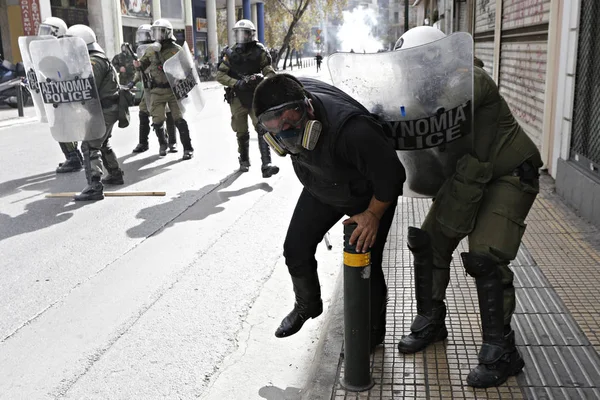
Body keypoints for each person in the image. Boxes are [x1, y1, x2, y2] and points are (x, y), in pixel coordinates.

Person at [392, 27, 543, 388]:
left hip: (508, 175)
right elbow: (408, 122)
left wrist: (403, 111)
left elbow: (440, 110)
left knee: (485, 257)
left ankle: (502, 350)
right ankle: (431, 320)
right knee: (428, 242)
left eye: (414, 63)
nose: (408, 71)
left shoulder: (468, 79)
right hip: (470, 175)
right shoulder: (424, 91)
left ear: (434, 58)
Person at [252, 74, 406, 348]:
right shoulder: (270, 114)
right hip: (322, 184)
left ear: (307, 107)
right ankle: (307, 305)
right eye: (276, 128)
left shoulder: (353, 130)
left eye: (291, 122)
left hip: (368, 193)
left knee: (365, 262)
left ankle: (369, 336)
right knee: (295, 248)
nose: (285, 132)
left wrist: (372, 214)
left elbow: (393, 176)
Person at [63, 25, 124, 201]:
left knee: (90, 145)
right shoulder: (92, 59)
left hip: (105, 110)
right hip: (106, 109)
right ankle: (115, 174)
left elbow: (87, 86)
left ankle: (94, 187)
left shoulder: (94, 61)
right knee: (102, 142)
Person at [216, 19, 279, 178]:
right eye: (238, 33)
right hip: (237, 97)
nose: (241, 37)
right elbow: (220, 75)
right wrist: (236, 83)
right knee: (241, 130)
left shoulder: (260, 51)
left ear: (251, 34)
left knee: (262, 127)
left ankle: (266, 164)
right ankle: (244, 159)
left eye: (244, 33)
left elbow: (268, 70)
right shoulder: (230, 53)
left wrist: (265, 79)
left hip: (256, 95)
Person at [134, 19, 194, 160]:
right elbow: (143, 65)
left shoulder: (176, 49)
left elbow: (187, 69)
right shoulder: (151, 49)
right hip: (156, 90)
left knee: (179, 119)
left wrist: (182, 80)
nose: (157, 35)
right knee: (157, 120)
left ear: (167, 32)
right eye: (155, 31)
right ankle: (163, 144)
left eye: (160, 31)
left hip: (173, 91)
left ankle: (188, 148)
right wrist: (138, 65)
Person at [37, 17, 84, 174]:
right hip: (59, 93)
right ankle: (74, 155)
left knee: (62, 125)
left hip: (65, 93)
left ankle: (73, 158)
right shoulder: (53, 49)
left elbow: (64, 72)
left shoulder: (64, 50)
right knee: (61, 124)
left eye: (47, 31)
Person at [129, 24, 178, 154]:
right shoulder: (144, 49)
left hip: (162, 85)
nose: (142, 37)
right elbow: (141, 68)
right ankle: (143, 142)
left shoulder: (158, 47)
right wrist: (133, 82)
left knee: (168, 113)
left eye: (144, 34)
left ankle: (172, 142)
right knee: (143, 111)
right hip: (148, 87)